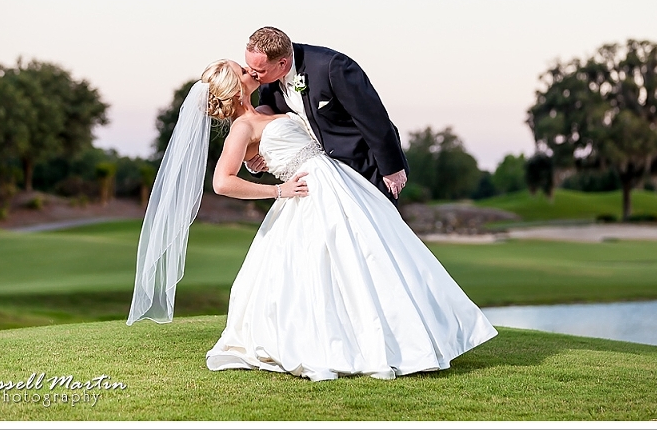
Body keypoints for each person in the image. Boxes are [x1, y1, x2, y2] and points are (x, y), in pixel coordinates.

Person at [127, 58, 497, 382]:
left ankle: (405, 336)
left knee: (369, 259)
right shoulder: (242, 129)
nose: (249, 70)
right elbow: (222, 182)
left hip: (339, 184)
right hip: (307, 193)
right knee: (327, 267)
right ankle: (347, 345)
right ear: (235, 88)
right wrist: (277, 191)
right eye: (242, 70)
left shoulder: (267, 109)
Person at [244, 26, 409, 205]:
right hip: (319, 179)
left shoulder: (332, 66)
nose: (253, 74)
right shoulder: (267, 81)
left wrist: (391, 168)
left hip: (363, 168)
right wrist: (255, 163)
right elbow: (267, 125)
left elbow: (373, 117)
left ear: (282, 63)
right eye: (250, 66)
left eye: (259, 70)